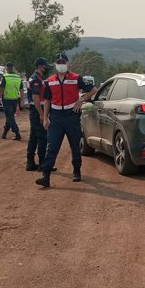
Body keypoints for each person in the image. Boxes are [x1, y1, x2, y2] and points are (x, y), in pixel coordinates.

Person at [35, 52, 97, 188]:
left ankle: (76, 171)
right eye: (59, 63)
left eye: (63, 62)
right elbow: (47, 100)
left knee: (75, 145)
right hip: (56, 117)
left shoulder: (76, 78)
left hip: (71, 115)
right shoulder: (50, 81)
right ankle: (46, 176)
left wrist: (81, 100)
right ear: (55, 65)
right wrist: (45, 118)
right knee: (52, 147)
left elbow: (93, 90)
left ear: (67, 64)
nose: (61, 65)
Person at [26, 57, 50, 171]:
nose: (47, 68)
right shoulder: (36, 79)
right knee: (42, 137)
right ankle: (42, 164)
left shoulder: (38, 77)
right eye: (46, 66)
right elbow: (35, 97)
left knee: (34, 137)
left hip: (35, 109)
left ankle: (30, 163)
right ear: (41, 66)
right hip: (37, 109)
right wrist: (42, 114)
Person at [0, 62, 22, 140]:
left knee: (10, 117)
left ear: (6, 68)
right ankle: (4, 134)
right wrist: (21, 99)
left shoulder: (5, 77)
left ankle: (17, 133)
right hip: (15, 99)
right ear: (13, 68)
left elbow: (2, 88)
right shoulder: (18, 77)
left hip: (7, 99)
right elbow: (21, 89)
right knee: (9, 117)